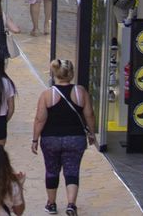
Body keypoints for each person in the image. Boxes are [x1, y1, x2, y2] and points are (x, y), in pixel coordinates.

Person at [31, 58, 96, 216]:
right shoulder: (81, 92)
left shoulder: (47, 95)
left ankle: (51, 204)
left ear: (54, 74)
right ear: (72, 74)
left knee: (51, 170)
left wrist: (35, 139)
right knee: (72, 170)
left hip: (50, 138)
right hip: (75, 138)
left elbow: (40, 119)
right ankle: (71, 204)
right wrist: (92, 133)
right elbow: (89, 115)